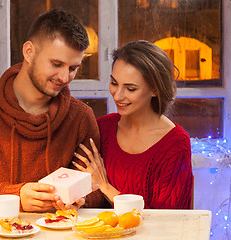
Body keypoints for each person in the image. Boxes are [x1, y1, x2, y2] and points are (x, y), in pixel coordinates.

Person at [0, 9, 107, 211]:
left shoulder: (81, 116)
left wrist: (80, 199)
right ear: (29, 52)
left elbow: (97, 190)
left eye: (73, 68)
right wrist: (16, 197)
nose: (64, 77)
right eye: (56, 64)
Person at [73, 40, 193, 209]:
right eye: (114, 83)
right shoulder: (103, 128)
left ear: (155, 89)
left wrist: (106, 187)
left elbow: (168, 220)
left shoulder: (176, 144)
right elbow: (85, 188)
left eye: (130, 89)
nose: (117, 95)